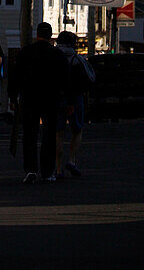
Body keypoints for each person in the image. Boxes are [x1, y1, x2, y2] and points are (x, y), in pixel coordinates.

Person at [12, 21, 69, 184]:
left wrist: (13, 96)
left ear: (37, 35)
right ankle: (47, 171)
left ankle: (31, 170)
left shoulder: (26, 52)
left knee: (30, 134)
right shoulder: (57, 55)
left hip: (29, 98)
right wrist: (68, 100)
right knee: (49, 135)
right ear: (51, 36)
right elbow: (65, 79)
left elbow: (16, 75)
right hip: (51, 99)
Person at [54, 30, 95, 178]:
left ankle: (58, 169)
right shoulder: (77, 60)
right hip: (75, 98)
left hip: (56, 98)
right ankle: (71, 160)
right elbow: (89, 79)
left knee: (58, 133)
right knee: (77, 130)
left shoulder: (53, 58)